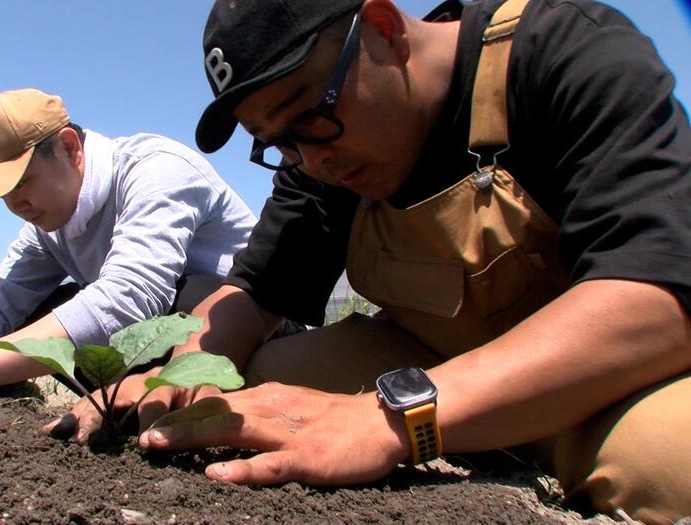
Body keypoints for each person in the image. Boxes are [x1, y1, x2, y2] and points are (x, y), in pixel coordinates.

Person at [58, 1, 689, 523]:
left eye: (310, 118)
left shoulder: (559, 48)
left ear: (384, 28)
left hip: (610, 376)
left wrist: (387, 421)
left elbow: (659, 293)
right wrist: (174, 376)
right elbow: (253, 291)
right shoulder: (320, 158)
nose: (310, 160)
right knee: (265, 374)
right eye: (278, 143)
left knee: (669, 464)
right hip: (444, 365)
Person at [0, 88, 258, 404]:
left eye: (21, 182)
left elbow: (130, 296)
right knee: (15, 310)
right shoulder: (47, 225)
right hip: (161, 338)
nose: (15, 204)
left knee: (194, 298)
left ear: (69, 147)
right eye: (3, 192)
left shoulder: (157, 168)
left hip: (252, 328)